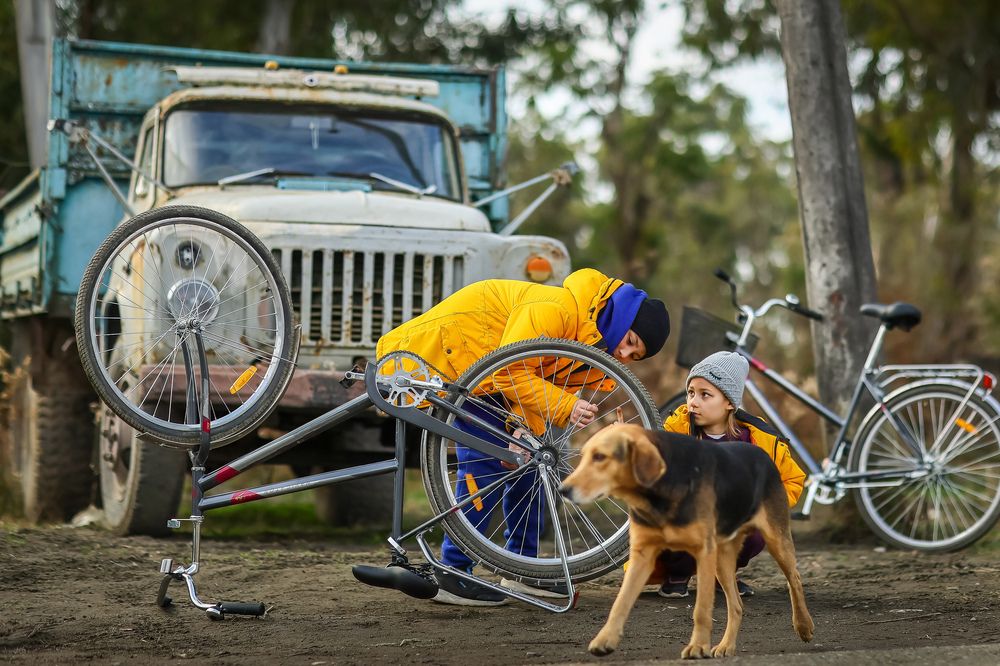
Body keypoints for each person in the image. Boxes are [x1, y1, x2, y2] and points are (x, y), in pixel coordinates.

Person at [376, 268, 670, 606]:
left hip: (491, 380)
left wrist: (522, 429)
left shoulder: (587, 348)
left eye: (634, 356)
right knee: (485, 459)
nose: (624, 355)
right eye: (630, 342)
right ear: (621, 315)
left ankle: (523, 570)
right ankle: (452, 570)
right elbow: (507, 368)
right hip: (455, 359)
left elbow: (533, 381)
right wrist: (565, 407)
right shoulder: (557, 309)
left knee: (533, 461)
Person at [653, 350, 806, 599]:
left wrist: (762, 508)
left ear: (729, 403)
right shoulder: (677, 430)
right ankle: (677, 573)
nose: (693, 402)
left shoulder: (759, 441)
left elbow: (791, 480)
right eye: (691, 393)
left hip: (732, 523)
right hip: (688, 519)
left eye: (705, 395)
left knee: (755, 533)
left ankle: (722, 574)